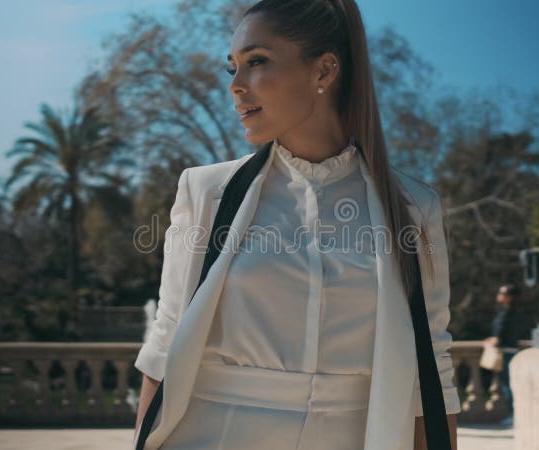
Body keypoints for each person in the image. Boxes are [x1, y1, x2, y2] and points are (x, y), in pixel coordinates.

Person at [132, 1, 461, 449]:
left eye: (256, 62)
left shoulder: (413, 208)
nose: (235, 85)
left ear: (325, 71)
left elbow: (432, 369)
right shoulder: (206, 192)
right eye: (232, 68)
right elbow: (165, 345)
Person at [484, 284, 526, 426]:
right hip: (513, 351)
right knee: (510, 384)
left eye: (501, 292)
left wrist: (490, 342)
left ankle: (514, 416)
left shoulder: (506, 314)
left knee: (507, 385)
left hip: (505, 353)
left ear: (509, 297)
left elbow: (498, 338)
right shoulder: (515, 313)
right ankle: (515, 415)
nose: (499, 295)